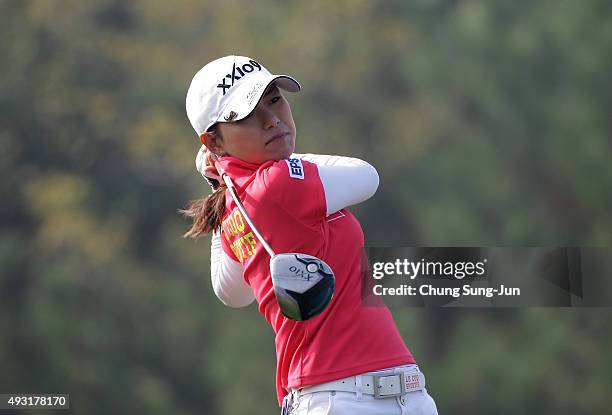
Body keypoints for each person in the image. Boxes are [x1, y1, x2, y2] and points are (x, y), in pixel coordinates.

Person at [182, 55, 438, 415]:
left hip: (393, 394)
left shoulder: (238, 207)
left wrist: (221, 184)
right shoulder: (278, 182)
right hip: (342, 399)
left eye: (273, 99)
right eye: (246, 114)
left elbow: (232, 291)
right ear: (214, 142)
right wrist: (273, 163)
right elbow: (367, 176)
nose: (272, 119)